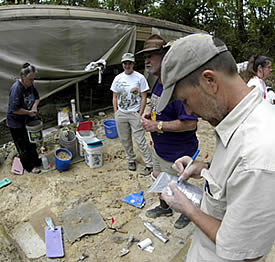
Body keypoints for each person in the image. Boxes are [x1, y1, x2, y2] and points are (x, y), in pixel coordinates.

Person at [159, 33, 275, 261]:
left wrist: (188, 209)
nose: (189, 111)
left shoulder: (258, 154)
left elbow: (242, 253)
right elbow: (238, 177)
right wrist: (203, 169)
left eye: (185, 100)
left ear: (209, 81)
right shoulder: (243, 124)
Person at [137, 35, 199, 229]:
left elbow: (190, 124)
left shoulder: (176, 85)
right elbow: (160, 107)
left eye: (151, 56)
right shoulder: (159, 82)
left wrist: (157, 126)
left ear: (165, 57)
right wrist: (151, 112)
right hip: (160, 147)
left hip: (178, 152)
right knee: (158, 177)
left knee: (178, 185)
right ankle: (165, 207)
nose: (146, 60)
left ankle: (188, 213)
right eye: (145, 56)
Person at [110, 53, 153, 174]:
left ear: (133, 64)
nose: (127, 65)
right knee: (125, 139)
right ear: (122, 64)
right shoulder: (118, 78)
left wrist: (140, 113)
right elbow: (114, 96)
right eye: (125, 63)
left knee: (140, 140)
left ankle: (149, 164)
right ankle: (131, 160)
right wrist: (116, 111)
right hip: (121, 114)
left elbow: (144, 97)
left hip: (134, 113)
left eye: (129, 63)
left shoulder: (139, 78)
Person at [7, 63, 42, 174]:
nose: (32, 81)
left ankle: (36, 161)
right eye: (30, 79)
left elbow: (37, 98)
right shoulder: (16, 89)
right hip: (15, 122)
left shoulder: (31, 86)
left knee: (31, 142)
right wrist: (28, 112)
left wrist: (34, 107)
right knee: (22, 145)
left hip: (27, 118)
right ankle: (29, 166)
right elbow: (14, 109)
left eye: (33, 79)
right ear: (23, 78)